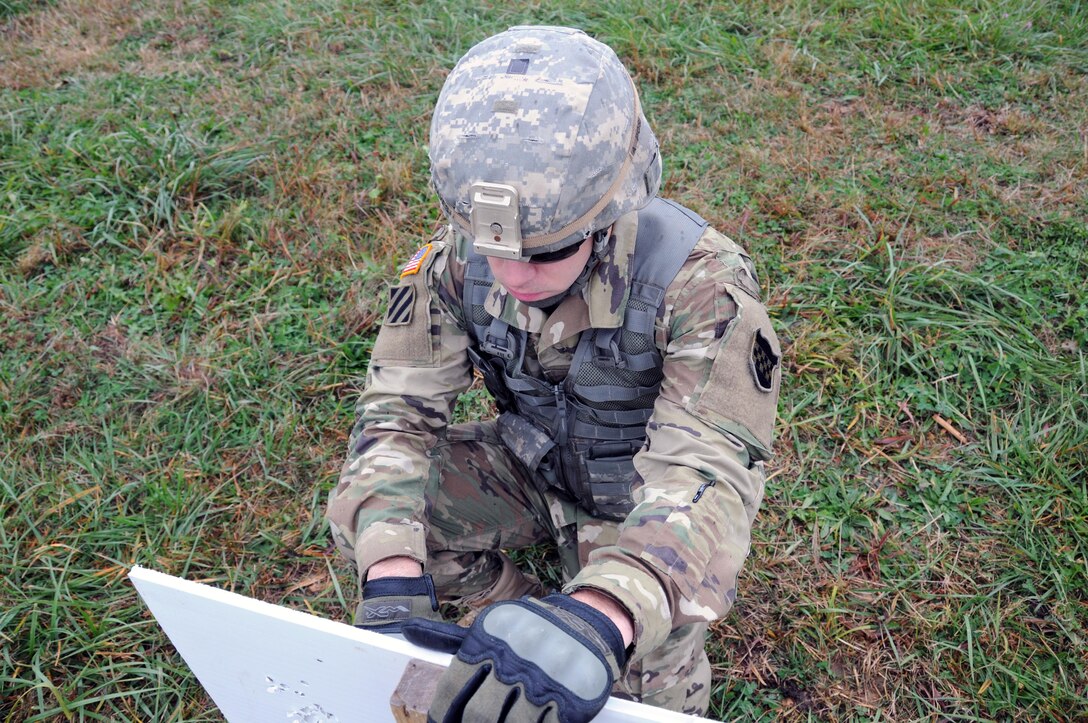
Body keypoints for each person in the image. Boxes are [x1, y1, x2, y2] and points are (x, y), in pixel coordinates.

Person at [326, 25, 781, 721]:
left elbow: (709, 474)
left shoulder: (700, 285)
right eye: (492, 248)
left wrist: (607, 610)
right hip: (533, 467)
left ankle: (587, 617)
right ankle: (514, 613)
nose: (511, 275)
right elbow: (396, 412)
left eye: (546, 253)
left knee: (635, 696)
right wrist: (391, 570)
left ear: (608, 212)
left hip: (641, 505)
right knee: (380, 513)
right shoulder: (454, 259)